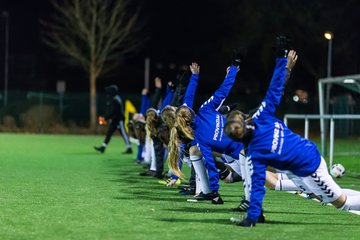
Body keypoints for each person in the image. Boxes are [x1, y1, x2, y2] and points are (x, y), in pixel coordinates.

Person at [224, 50, 360, 227]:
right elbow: (274, 90)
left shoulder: (254, 152)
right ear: (244, 118)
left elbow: (257, 186)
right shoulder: (261, 117)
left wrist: (253, 217)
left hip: (311, 169)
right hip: (305, 162)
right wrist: (284, 64)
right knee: (330, 194)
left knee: (343, 204)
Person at [94, 85, 133, 154]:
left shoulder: (115, 99)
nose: (107, 93)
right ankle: (103, 147)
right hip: (115, 119)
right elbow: (112, 111)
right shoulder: (115, 98)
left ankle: (129, 148)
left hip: (119, 119)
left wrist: (105, 118)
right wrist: (107, 118)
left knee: (123, 133)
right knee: (109, 133)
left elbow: (113, 111)